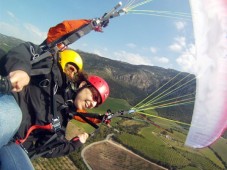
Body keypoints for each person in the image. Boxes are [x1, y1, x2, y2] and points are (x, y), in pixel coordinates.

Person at [0, 42, 110, 169]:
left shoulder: (63, 119)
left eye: (97, 103)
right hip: (10, 104)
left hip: (14, 143)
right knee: (12, 116)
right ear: (83, 85)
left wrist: (76, 144)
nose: (93, 103)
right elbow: (29, 50)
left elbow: (47, 148)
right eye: (94, 96)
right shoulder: (54, 76)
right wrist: (20, 69)